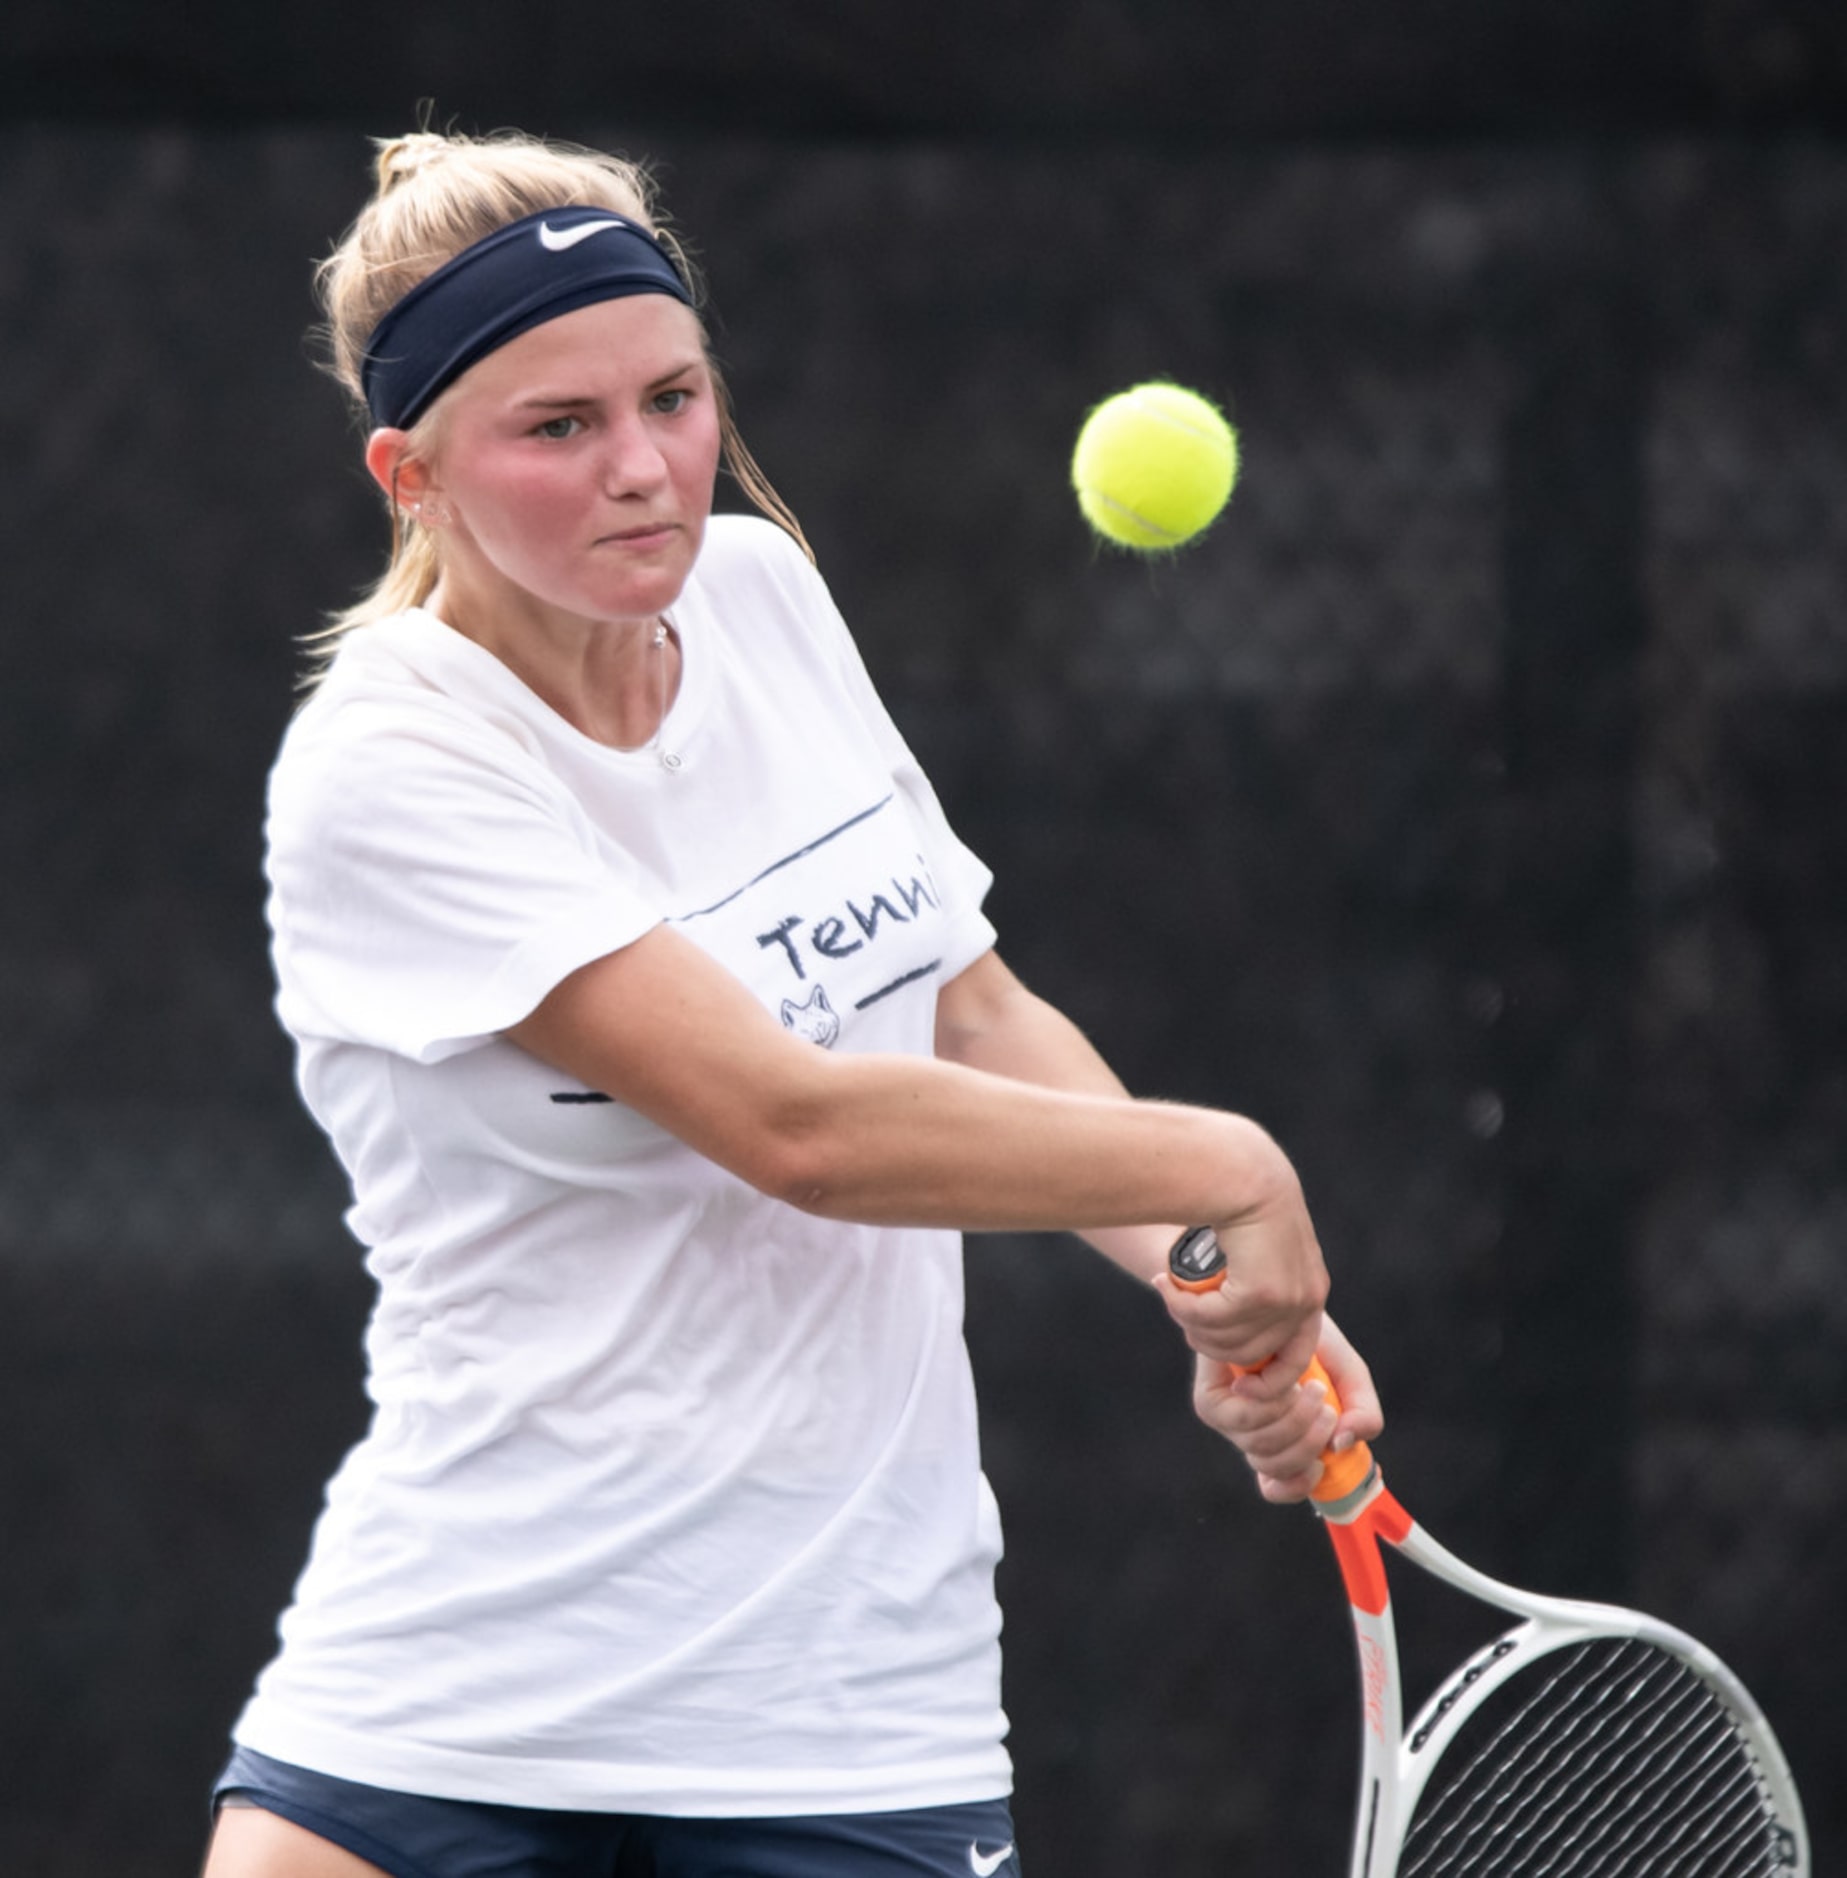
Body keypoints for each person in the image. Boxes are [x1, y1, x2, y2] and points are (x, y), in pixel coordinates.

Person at [201, 127, 1382, 1878]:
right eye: (557, 428)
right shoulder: (386, 760)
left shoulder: (758, 593)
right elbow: (795, 1126)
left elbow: (966, 1012)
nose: (647, 471)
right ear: (411, 472)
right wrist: (1231, 1169)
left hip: (848, 1715)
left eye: (673, 398)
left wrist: (1203, 1280)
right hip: (449, 1703)